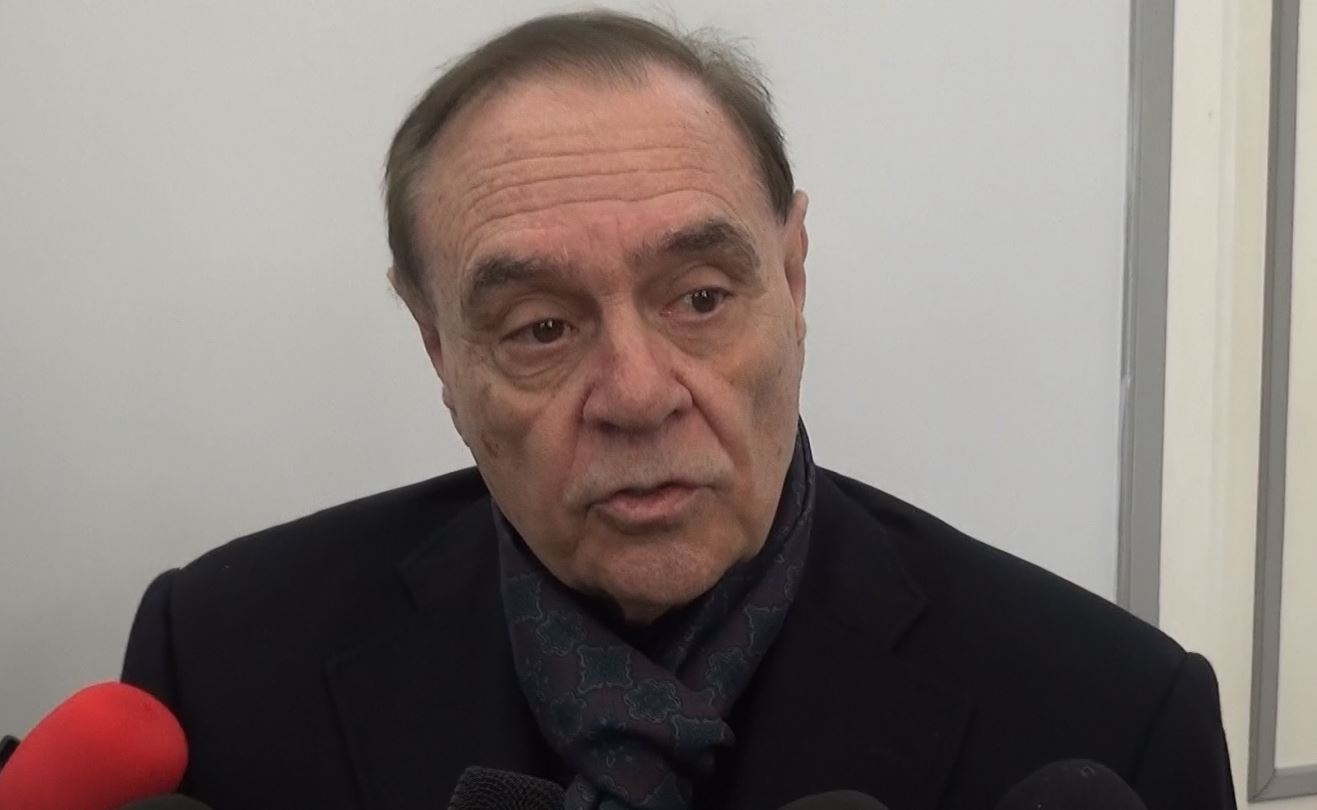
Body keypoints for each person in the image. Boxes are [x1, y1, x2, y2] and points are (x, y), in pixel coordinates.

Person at [121, 11, 1236, 810]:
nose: (639, 394)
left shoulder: (1110, 715)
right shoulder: (220, 661)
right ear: (439, 353)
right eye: (540, 328)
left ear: (792, 282)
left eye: (700, 298)